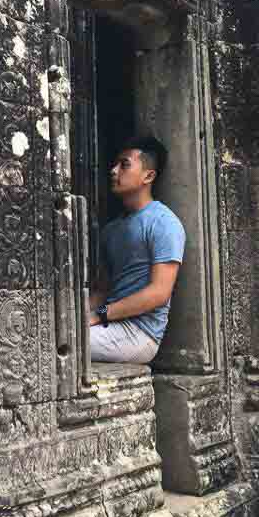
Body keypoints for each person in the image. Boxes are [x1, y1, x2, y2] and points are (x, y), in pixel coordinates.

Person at [89, 136, 185, 365]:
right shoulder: (111, 230)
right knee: (51, 332)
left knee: (63, 345)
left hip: (140, 334)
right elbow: (103, 289)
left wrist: (100, 314)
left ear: (148, 176)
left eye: (124, 164)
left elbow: (159, 293)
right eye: (115, 164)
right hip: (109, 324)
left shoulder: (164, 222)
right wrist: (76, 316)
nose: (113, 171)